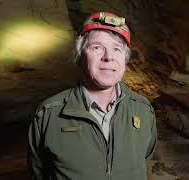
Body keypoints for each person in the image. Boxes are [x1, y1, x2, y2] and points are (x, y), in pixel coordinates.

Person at [27, 12, 157, 180]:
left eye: (117, 49)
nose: (108, 57)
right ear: (81, 56)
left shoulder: (143, 110)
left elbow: (146, 156)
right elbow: (38, 172)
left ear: (125, 60)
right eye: (97, 47)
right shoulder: (48, 114)